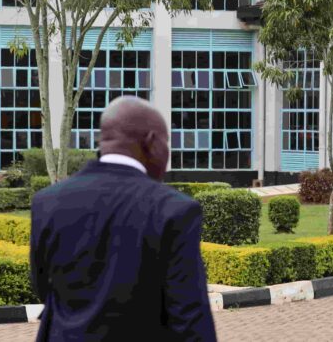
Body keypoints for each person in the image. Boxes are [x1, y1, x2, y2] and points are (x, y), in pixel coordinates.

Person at [30, 96, 216, 341]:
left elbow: (43, 286)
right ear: (151, 141)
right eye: (167, 142)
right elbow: (189, 315)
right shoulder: (174, 210)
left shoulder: (47, 202)